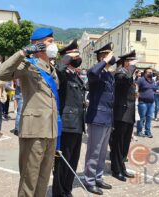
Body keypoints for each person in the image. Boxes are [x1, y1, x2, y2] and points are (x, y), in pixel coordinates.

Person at [0, 28, 60, 197]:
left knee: (43, 178)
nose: (53, 45)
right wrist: (22, 52)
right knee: (29, 180)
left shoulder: (51, 68)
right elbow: (1, 73)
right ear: (37, 45)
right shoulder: (27, 65)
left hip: (50, 130)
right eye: (49, 41)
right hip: (34, 130)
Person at [52, 39, 86, 197]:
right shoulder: (63, 74)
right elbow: (58, 69)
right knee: (62, 162)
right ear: (68, 57)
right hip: (67, 124)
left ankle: (67, 189)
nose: (78, 57)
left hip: (78, 124)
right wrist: (65, 57)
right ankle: (58, 193)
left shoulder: (76, 77)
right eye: (75, 55)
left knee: (73, 160)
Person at [83, 42, 115, 195]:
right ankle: (89, 180)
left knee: (102, 151)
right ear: (102, 56)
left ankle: (98, 177)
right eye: (108, 54)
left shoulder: (108, 74)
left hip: (107, 117)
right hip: (97, 116)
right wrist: (104, 61)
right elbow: (92, 73)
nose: (112, 56)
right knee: (94, 151)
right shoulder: (96, 72)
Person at [109, 51, 137, 182]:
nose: (134, 64)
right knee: (118, 143)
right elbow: (124, 82)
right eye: (131, 62)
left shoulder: (128, 73)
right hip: (121, 113)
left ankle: (121, 166)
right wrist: (130, 69)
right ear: (126, 62)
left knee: (125, 143)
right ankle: (116, 169)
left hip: (129, 113)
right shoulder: (120, 72)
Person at [136, 68, 156, 138]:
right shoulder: (141, 80)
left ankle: (148, 131)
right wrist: (137, 94)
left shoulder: (153, 80)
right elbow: (136, 88)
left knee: (149, 118)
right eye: (149, 72)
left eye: (151, 72)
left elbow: (154, 89)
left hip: (151, 103)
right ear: (145, 73)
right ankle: (139, 131)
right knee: (142, 118)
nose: (151, 73)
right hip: (142, 102)